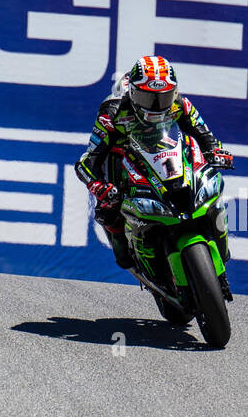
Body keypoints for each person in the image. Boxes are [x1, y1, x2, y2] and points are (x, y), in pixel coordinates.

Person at [74, 55, 234, 272]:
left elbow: (206, 136)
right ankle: (129, 253)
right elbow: (86, 163)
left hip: (163, 152)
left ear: (174, 92)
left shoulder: (180, 104)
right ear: (133, 93)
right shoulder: (112, 114)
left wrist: (215, 152)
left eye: (165, 97)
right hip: (122, 158)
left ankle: (213, 236)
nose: (158, 105)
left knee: (205, 177)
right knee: (107, 211)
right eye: (149, 99)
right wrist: (100, 187)